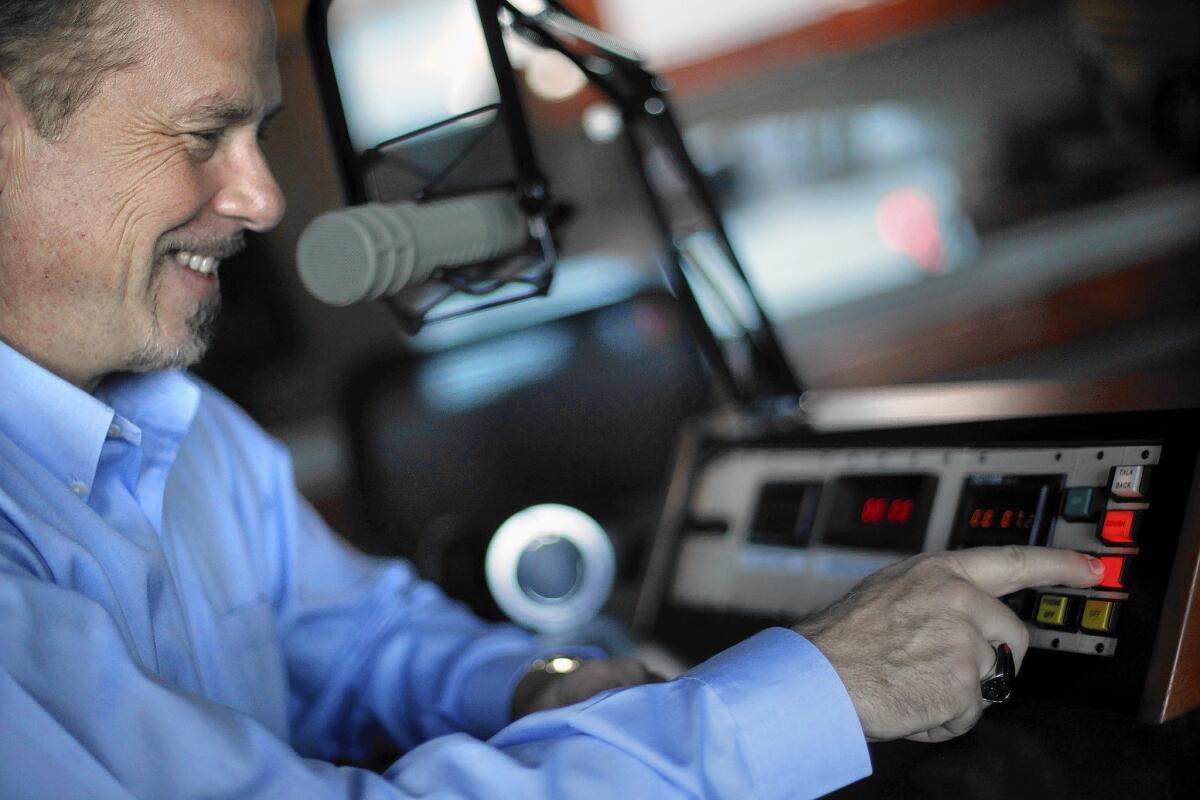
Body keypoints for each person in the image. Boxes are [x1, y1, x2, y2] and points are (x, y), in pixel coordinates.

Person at [0, 1, 1105, 798]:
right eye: (205, 135)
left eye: (258, 133)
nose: (263, 197)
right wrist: (816, 692)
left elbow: (346, 634)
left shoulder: (183, 424)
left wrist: (535, 679)